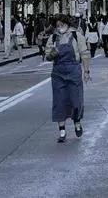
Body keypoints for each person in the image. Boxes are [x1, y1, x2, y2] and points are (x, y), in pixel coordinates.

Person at [45, 15, 90, 143]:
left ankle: (77, 122)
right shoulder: (53, 38)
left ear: (67, 24)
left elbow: (84, 54)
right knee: (59, 101)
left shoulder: (76, 36)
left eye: (62, 25)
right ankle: (62, 130)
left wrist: (86, 71)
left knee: (76, 100)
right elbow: (47, 56)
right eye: (57, 25)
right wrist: (52, 54)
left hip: (74, 71)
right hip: (58, 73)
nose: (60, 27)